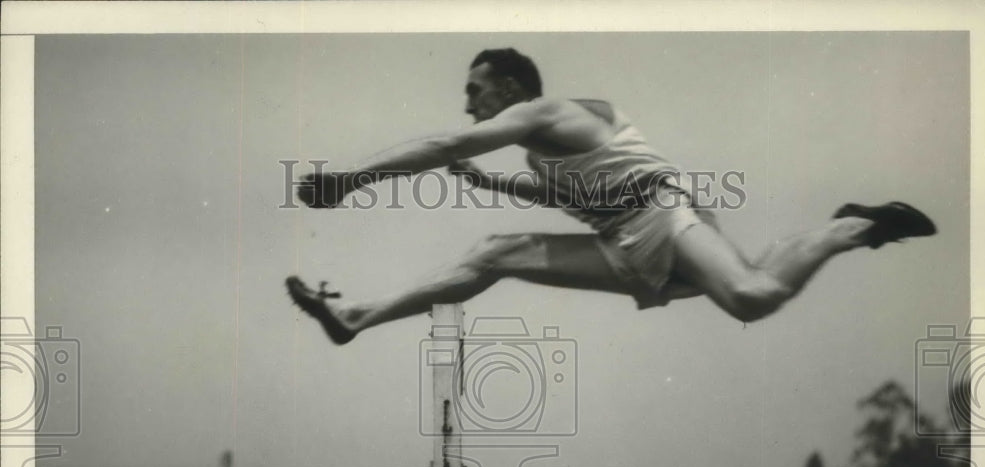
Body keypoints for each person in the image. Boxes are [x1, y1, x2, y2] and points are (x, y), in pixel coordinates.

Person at [286, 48, 936, 346]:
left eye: (476, 90)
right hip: (621, 239)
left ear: (512, 87)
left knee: (753, 296)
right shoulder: (540, 146)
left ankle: (849, 228)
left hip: (662, 210)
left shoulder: (548, 112)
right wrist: (492, 183)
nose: (469, 103)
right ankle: (357, 317)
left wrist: (353, 177)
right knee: (493, 251)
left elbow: (441, 143)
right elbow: (559, 189)